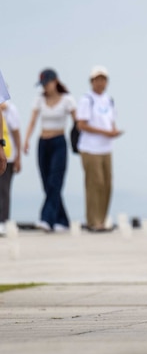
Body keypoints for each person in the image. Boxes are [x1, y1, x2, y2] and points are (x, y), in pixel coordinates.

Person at [22, 68, 77, 231]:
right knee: (47, 183)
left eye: (47, 83)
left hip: (59, 142)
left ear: (55, 81)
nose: (45, 87)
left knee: (55, 181)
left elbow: (78, 122)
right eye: (43, 84)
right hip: (43, 143)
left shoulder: (67, 100)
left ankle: (46, 218)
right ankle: (62, 220)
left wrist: (79, 140)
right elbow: (32, 121)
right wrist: (26, 140)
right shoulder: (39, 100)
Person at [75, 66, 122, 232]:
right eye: (97, 79)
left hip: (106, 148)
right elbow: (81, 124)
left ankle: (102, 219)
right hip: (90, 148)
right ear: (92, 81)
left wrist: (113, 132)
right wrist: (105, 132)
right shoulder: (87, 100)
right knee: (95, 183)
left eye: (103, 79)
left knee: (107, 184)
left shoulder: (109, 100)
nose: (101, 82)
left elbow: (111, 121)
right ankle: (93, 220)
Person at [0, 86, 21, 235]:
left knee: (4, 191)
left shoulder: (10, 110)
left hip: (8, 156)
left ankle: (3, 221)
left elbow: (16, 134)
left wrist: (18, 155)